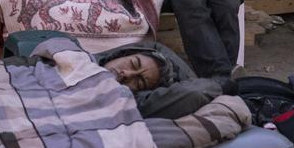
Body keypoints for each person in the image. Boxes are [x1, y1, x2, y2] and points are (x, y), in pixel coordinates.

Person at [96, 41, 228, 119]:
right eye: (133, 63)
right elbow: (155, 46)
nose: (127, 74)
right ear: (122, 54)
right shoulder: (84, 58)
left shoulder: (125, 105)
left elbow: (194, 92)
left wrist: (222, 84)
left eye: (139, 82)